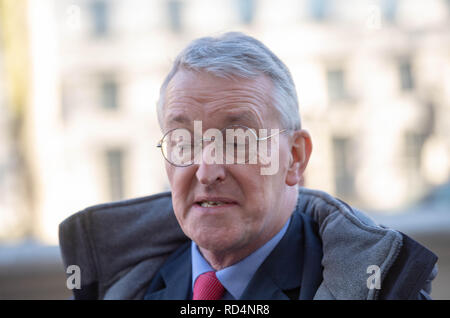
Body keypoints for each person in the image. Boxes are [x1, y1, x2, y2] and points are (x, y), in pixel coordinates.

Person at [59, 32, 438, 300]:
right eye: (183, 142)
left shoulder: (383, 290)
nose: (206, 171)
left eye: (238, 141)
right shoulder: (122, 288)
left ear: (295, 157)